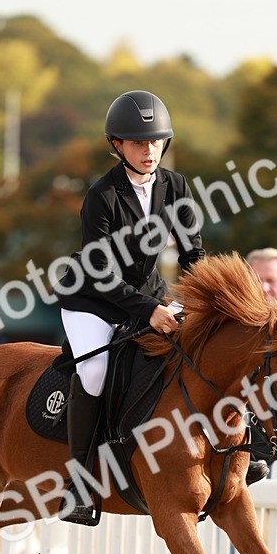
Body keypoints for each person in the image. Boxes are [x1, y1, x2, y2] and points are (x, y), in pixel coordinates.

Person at [53, 90, 205, 524]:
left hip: (149, 294)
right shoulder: (102, 196)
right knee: (95, 371)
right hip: (92, 300)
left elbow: (192, 252)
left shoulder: (175, 186)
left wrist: (204, 299)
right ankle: (79, 483)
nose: (148, 150)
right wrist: (149, 311)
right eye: (138, 142)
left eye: (156, 141)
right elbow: (100, 271)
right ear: (117, 145)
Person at [244, 248, 277, 481]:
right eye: (256, 280)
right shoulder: (226, 339)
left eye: (271, 280)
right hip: (235, 462)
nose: (264, 288)